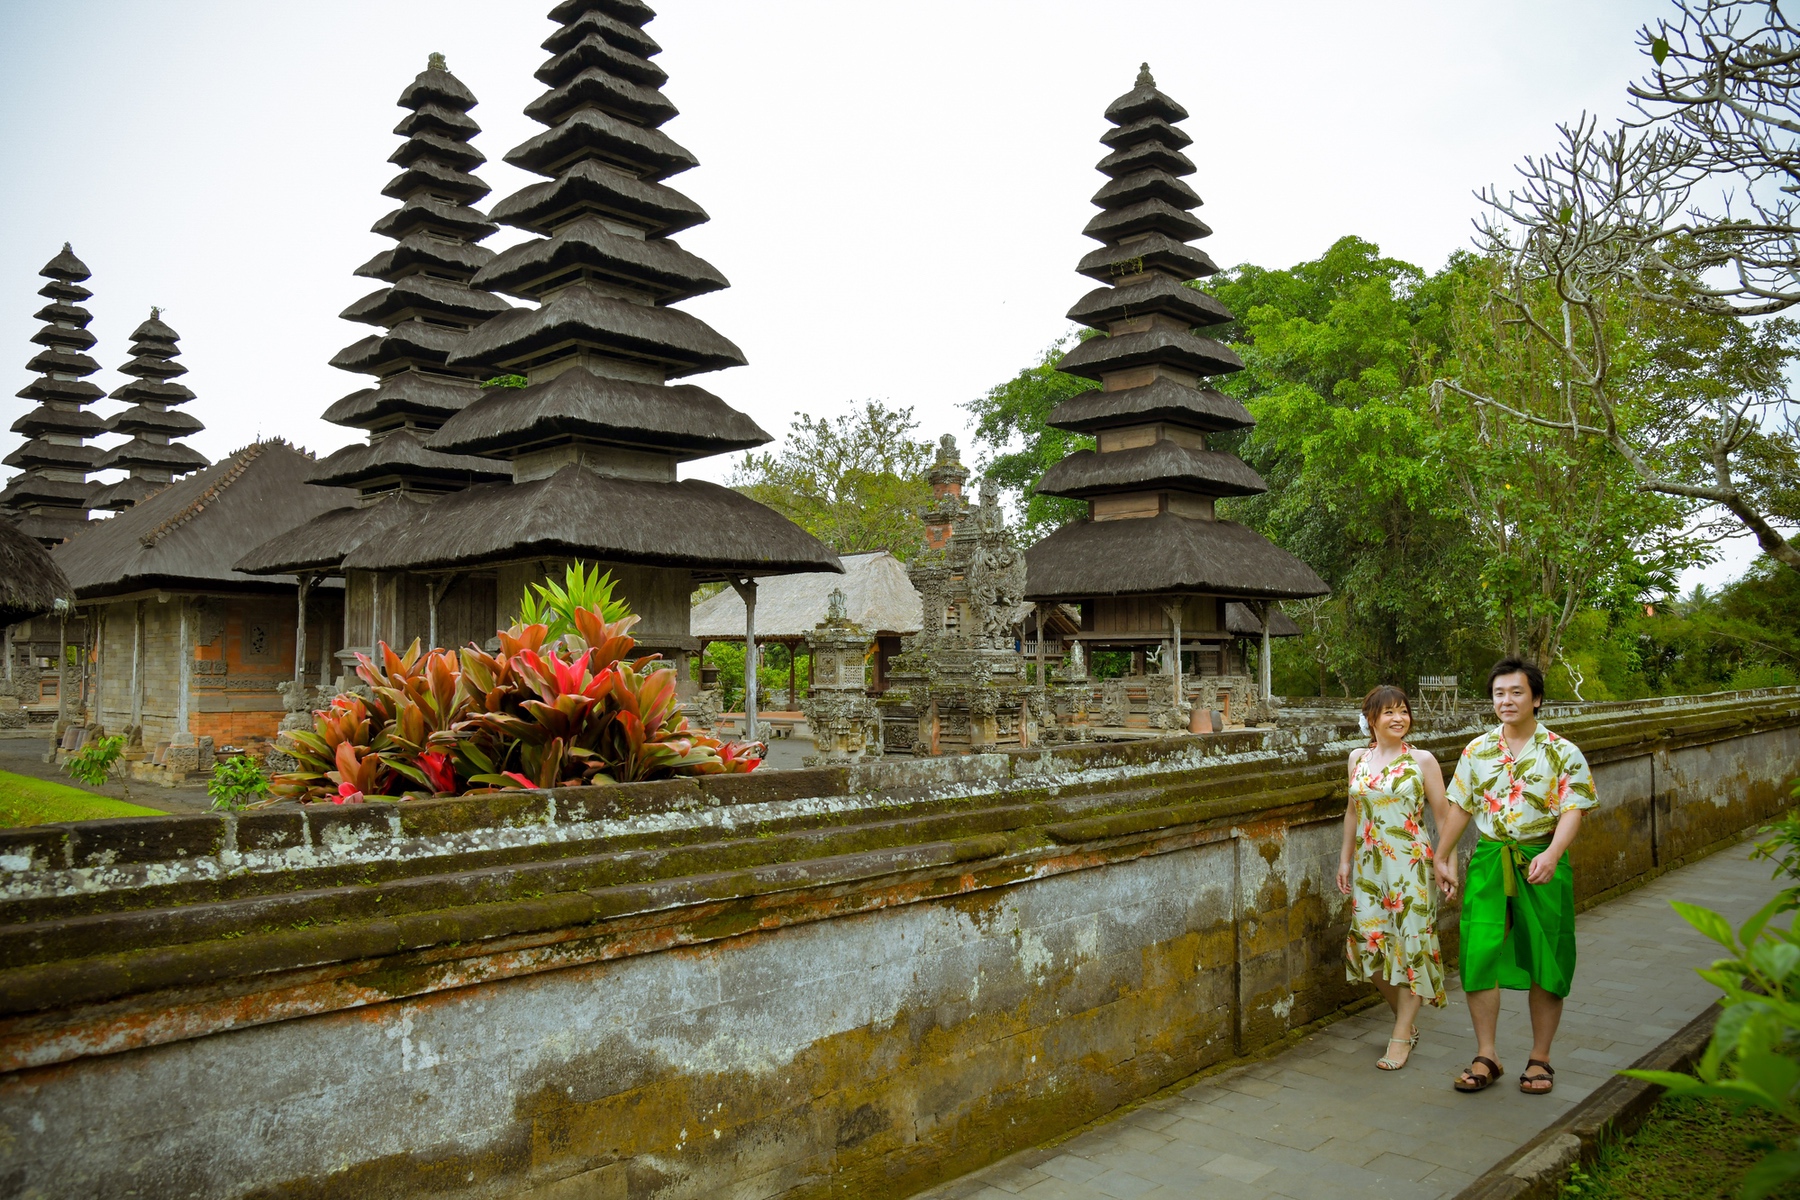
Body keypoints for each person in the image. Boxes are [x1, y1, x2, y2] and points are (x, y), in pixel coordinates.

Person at [1434, 657, 1597, 1095]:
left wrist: (1554, 851)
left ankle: (1540, 1058)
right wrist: (1442, 855)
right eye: (1498, 693)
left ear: (1536, 698)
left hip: (1542, 859)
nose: (1506, 700)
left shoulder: (1563, 752)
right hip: (1489, 859)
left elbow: (1573, 809)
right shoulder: (1477, 750)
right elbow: (1461, 806)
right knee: (1478, 953)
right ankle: (1487, 1054)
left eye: (1516, 692)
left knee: (1548, 955)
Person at [1336, 684, 1449, 1071]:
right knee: (1370, 946)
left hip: (1412, 866)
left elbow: (1445, 816)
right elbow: (1353, 812)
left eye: (1403, 711)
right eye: (1389, 712)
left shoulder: (1422, 761)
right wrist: (1345, 860)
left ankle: (1401, 1035)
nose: (1398, 718)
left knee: (1412, 948)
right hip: (1370, 866)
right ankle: (1407, 1018)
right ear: (1371, 719)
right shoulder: (1357, 759)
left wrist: (1446, 862)